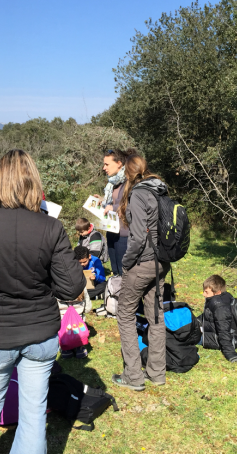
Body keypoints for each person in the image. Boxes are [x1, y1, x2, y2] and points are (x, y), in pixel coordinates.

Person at [0, 149, 86, 454]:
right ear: (33, 183)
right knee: (34, 414)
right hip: (39, 333)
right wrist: (42, 280)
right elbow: (73, 286)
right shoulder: (50, 227)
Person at [112, 154, 171, 391]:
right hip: (161, 262)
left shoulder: (137, 193)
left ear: (128, 172)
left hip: (142, 263)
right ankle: (157, 373)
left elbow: (136, 238)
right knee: (155, 316)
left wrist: (126, 263)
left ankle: (134, 377)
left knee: (125, 314)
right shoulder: (159, 190)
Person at [95, 149, 130, 275]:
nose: (104, 168)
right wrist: (102, 200)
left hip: (124, 235)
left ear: (119, 163)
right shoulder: (113, 183)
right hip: (112, 231)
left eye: (107, 164)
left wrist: (113, 208)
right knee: (115, 270)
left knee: (124, 272)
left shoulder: (129, 181)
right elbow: (115, 200)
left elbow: (131, 205)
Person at [200, 274, 237, 363]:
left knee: (184, 335)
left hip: (215, 339)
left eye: (206, 292)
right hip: (211, 332)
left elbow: (223, 330)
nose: (203, 294)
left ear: (218, 292)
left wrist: (231, 353)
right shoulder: (220, 298)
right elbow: (208, 315)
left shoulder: (219, 306)